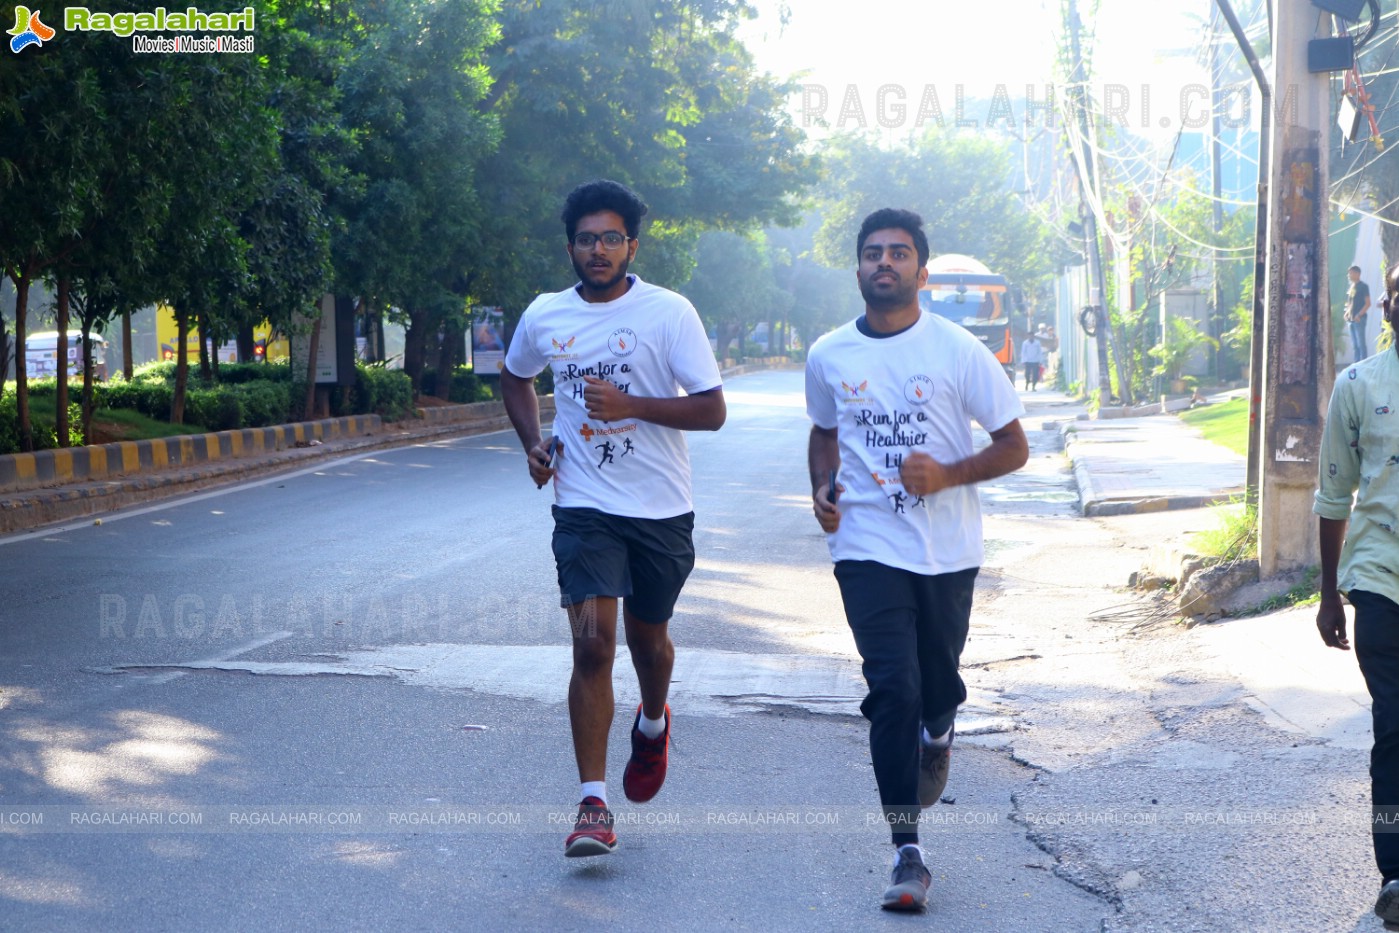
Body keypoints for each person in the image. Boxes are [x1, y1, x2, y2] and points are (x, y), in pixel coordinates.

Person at [805, 208, 1029, 911]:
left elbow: (1013, 445)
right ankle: (907, 851)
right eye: (872, 253)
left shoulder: (958, 350)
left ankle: (941, 727)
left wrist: (946, 474)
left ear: (920, 273)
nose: (884, 263)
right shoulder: (828, 354)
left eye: (898, 253)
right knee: (891, 689)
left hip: (947, 551)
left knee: (935, 685)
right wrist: (820, 486)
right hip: (866, 546)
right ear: (858, 267)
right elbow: (823, 433)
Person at [500, 179, 726, 858]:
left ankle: (652, 721)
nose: (596, 251)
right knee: (593, 645)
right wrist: (534, 442)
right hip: (583, 504)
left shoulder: (669, 312)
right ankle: (592, 802)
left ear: (632, 243)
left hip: (660, 508)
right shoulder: (545, 313)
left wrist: (633, 406)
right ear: (569, 246)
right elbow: (515, 378)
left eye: (609, 238)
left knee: (648, 641)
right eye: (584, 239)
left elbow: (711, 410)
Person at [1317, 263, 1399, 927]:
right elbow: (1331, 492)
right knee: (1393, 728)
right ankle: (1395, 871)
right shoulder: (1358, 385)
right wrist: (1326, 591)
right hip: (1378, 582)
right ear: (1383, 307)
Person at [1346, 264, 1372, 364]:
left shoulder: (1363, 286)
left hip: (1359, 319)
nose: (1349, 275)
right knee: (1355, 345)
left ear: (1357, 274)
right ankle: (1356, 365)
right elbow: (1349, 303)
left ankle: (1364, 364)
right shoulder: (1351, 287)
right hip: (1351, 320)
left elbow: (1368, 303)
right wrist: (1347, 313)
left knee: (1361, 344)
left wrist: (1359, 315)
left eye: (1351, 273)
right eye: (1349, 273)